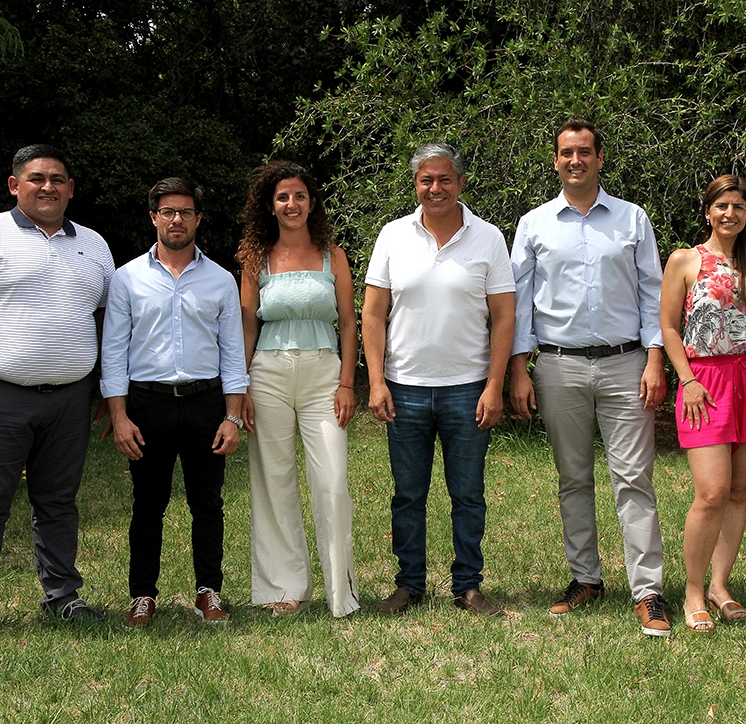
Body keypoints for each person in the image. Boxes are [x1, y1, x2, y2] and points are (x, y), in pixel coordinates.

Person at [0, 144, 114, 646]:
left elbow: (106, 321)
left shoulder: (94, 245)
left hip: (71, 397)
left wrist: (105, 389)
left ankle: (63, 598)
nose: (48, 186)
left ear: (71, 188)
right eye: (36, 178)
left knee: (58, 502)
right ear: (15, 185)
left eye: (58, 178)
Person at [510, 119, 670, 637]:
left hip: (627, 364)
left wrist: (654, 359)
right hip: (558, 366)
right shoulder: (534, 225)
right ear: (555, 160)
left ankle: (648, 592)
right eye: (565, 153)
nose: (574, 160)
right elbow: (518, 303)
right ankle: (586, 579)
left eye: (584, 152)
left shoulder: (632, 219)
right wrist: (520, 368)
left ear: (601, 158)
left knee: (633, 480)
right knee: (573, 477)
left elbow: (654, 293)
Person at [363, 142, 514, 617]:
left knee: (467, 493)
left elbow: (504, 318)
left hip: (468, 388)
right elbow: (372, 313)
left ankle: (467, 585)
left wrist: (495, 386)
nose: (436, 188)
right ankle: (409, 584)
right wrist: (376, 381)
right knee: (408, 493)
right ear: (415, 185)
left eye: (445, 179)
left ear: (461, 182)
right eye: (426, 180)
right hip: (403, 388)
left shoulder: (487, 237)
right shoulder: (392, 235)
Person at [101, 177, 249, 628]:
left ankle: (209, 591)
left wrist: (232, 416)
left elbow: (232, 353)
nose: (176, 219)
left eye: (185, 212)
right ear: (154, 217)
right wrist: (120, 416)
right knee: (148, 504)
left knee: (208, 504)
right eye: (167, 211)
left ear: (198, 219)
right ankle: (142, 595)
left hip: (206, 403)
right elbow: (113, 351)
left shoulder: (221, 279)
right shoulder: (126, 279)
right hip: (149, 405)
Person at [236, 161, 359, 618]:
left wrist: (348, 382)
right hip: (267, 373)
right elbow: (247, 325)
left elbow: (349, 322)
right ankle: (282, 589)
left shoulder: (333, 254)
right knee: (274, 480)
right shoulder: (255, 258)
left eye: (300, 196)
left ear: (312, 202)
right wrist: (240, 385)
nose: (292, 204)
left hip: (325, 375)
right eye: (283, 197)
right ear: (271, 205)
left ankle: (339, 593)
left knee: (332, 482)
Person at [659, 175, 746, 632]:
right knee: (711, 492)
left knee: (737, 491)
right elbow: (669, 327)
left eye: (739, 207)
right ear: (708, 211)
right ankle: (693, 590)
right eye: (722, 206)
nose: (730, 214)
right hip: (705, 382)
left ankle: (720, 586)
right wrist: (686, 379)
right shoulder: (685, 261)